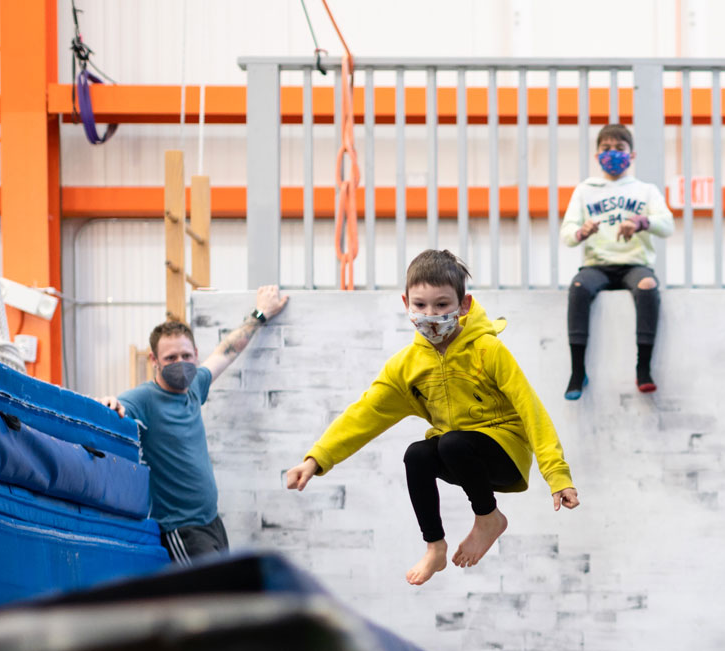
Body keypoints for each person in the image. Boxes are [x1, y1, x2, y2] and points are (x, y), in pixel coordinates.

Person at [285, 249, 579, 586]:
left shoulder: (487, 350)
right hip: (462, 459)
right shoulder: (408, 366)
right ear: (406, 302)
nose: (431, 314)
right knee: (417, 453)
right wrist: (315, 459)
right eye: (421, 305)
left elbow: (531, 410)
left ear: (463, 304)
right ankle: (435, 546)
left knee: (452, 442)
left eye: (442, 305)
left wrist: (557, 476)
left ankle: (488, 519)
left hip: (502, 455)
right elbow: (365, 413)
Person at [100, 285, 289, 562]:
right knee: (211, 599)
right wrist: (108, 404)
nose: (181, 363)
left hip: (211, 521)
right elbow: (116, 407)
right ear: (154, 360)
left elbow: (228, 350)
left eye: (186, 356)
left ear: (196, 354)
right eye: (171, 358)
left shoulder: (195, 387)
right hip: (181, 529)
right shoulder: (145, 399)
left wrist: (261, 314)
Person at [560, 123, 675, 400]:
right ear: (597, 154)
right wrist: (581, 231)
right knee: (578, 287)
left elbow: (667, 225)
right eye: (606, 149)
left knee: (647, 285)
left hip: (635, 263)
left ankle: (643, 368)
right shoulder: (585, 190)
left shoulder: (645, 190)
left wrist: (642, 221)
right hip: (597, 265)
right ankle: (577, 371)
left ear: (632, 155)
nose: (613, 154)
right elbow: (567, 234)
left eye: (620, 149)